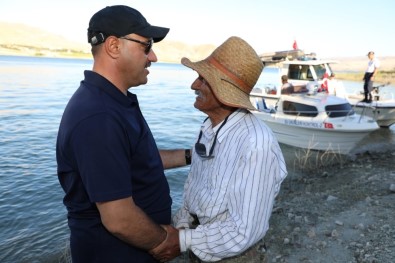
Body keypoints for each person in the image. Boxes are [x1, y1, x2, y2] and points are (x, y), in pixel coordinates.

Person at [56, 5, 186, 262]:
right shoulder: (98, 117)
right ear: (114, 46)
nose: (153, 57)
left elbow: (137, 162)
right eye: (146, 46)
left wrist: (193, 155)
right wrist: (165, 241)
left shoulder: (114, 102)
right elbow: (118, 218)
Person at [157, 36, 288, 262]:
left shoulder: (256, 143)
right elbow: (197, 186)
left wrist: (182, 240)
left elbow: (242, 232)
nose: (194, 85)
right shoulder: (209, 127)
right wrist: (181, 222)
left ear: (225, 92)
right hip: (204, 242)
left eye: (203, 79)